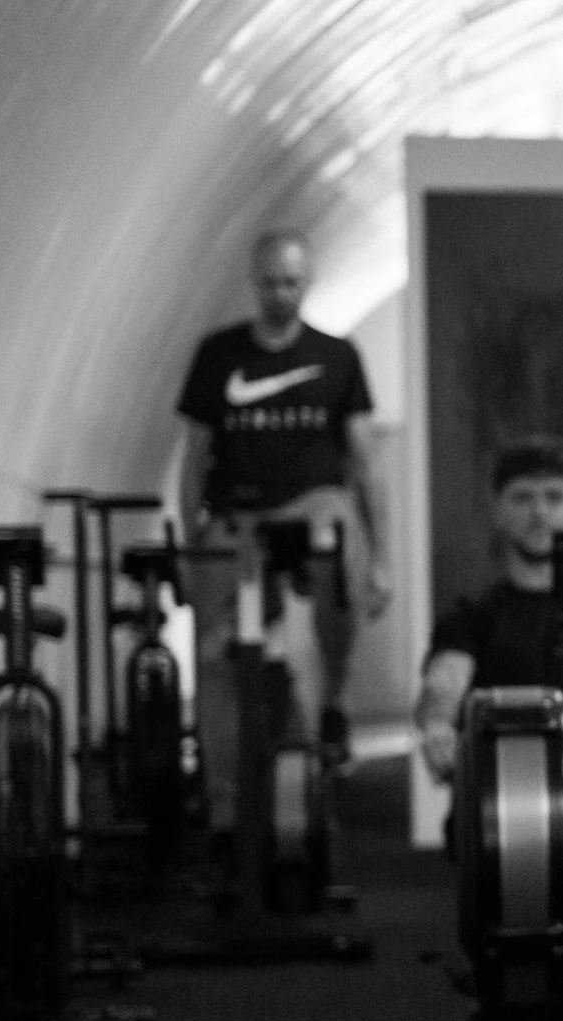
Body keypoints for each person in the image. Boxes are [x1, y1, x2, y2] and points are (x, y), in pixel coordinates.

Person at [175, 228, 391, 842]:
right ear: (254, 280)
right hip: (237, 517)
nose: (279, 293)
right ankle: (223, 809)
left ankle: (333, 702)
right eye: (269, 281)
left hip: (310, 508)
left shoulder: (337, 355)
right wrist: (195, 545)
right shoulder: (218, 356)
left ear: (308, 281)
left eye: (291, 282)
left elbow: (363, 461)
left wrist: (381, 562)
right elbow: (195, 458)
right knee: (216, 656)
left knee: (332, 522)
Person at [414, 435, 563, 784]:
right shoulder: (469, 618)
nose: (539, 512)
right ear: (497, 510)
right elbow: (445, 682)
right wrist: (437, 726)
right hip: (500, 810)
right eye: (523, 497)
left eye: (554, 497)